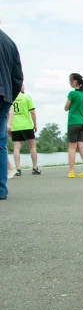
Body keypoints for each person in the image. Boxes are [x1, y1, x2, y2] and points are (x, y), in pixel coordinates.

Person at [0, 28, 24, 200]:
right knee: (0, 143)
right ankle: (1, 189)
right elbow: (18, 76)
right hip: (5, 97)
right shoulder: (9, 42)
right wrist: (9, 96)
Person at [7, 83, 41, 175]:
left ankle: (18, 169)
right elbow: (32, 112)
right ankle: (35, 168)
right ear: (20, 87)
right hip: (26, 125)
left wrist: (9, 126)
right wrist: (35, 124)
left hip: (15, 126)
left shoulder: (11, 98)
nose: (24, 87)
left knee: (16, 148)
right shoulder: (26, 97)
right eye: (23, 86)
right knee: (32, 147)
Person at [65, 73, 83, 178]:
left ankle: (71, 171)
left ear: (75, 81)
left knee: (72, 147)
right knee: (81, 147)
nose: (69, 82)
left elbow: (66, 107)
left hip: (73, 122)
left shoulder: (72, 94)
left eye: (70, 80)